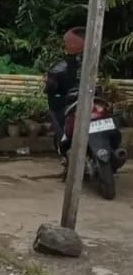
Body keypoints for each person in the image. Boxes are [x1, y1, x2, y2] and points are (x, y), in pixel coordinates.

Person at [44, 27, 85, 177]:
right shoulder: (89, 62)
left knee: (61, 129)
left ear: (72, 44)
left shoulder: (59, 67)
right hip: (83, 102)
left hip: (61, 104)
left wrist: (47, 84)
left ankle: (65, 156)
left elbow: (51, 87)